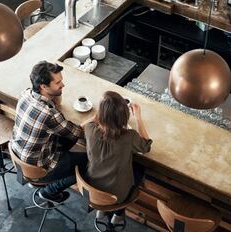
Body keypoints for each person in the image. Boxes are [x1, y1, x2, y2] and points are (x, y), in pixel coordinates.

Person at [11, 61, 87, 203]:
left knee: (67, 137)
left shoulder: (26, 94)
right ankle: (49, 191)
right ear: (44, 86)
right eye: (58, 83)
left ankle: (33, 178)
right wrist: (93, 120)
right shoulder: (49, 114)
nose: (63, 85)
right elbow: (77, 133)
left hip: (19, 155)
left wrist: (55, 91)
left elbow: (57, 103)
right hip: (39, 166)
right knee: (89, 165)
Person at [82, 91, 152, 224]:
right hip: (117, 196)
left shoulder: (90, 129)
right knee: (140, 169)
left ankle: (101, 207)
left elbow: (83, 125)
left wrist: (103, 114)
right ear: (125, 116)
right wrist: (138, 117)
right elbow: (146, 147)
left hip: (92, 187)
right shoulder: (130, 136)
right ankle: (118, 213)